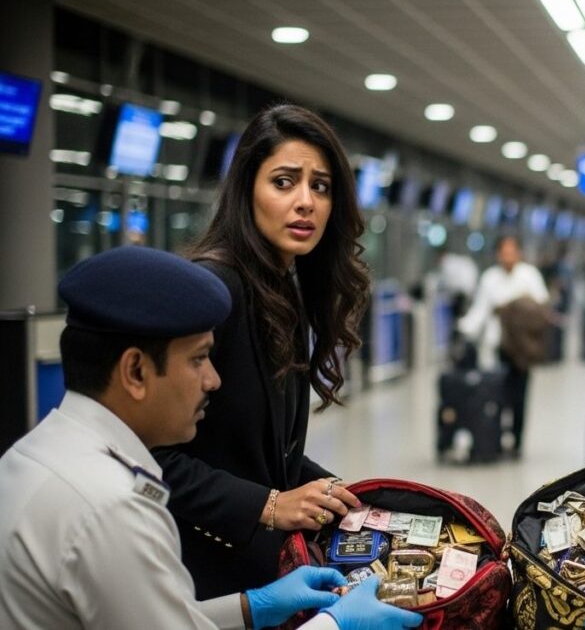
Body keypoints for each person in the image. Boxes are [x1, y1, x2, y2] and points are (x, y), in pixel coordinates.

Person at [0, 246, 421, 630]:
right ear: (136, 372)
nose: (214, 380)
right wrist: (334, 625)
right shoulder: (113, 510)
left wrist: (249, 606)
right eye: (199, 359)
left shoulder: (35, 455)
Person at [153, 104, 372, 598]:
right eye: (284, 182)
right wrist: (269, 504)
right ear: (246, 189)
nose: (306, 202)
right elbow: (150, 456)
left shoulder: (279, 288)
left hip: (254, 569)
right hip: (196, 578)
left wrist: (342, 493)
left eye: (320, 186)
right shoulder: (214, 289)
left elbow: (266, 454)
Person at [458, 235, 549, 456]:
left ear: (518, 253)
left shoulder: (529, 276)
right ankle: (495, 438)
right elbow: (480, 310)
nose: (508, 256)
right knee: (496, 394)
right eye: (504, 252)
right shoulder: (490, 278)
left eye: (512, 251)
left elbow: (540, 306)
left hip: (521, 350)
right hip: (497, 347)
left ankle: (516, 441)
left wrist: (512, 309)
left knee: (519, 396)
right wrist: (463, 328)